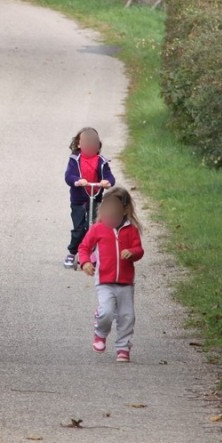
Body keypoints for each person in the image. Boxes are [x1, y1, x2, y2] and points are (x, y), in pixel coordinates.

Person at [78, 187, 144, 363]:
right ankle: (100, 333)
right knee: (106, 311)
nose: (110, 217)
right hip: (105, 280)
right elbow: (84, 248)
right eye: (107, 213)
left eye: (115, 214)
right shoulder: (97, 229)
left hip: (126, 282)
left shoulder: (131, 230)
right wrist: (85, 262)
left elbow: (139, 250)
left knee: (127, 316)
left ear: (124, 210)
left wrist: (132, 252)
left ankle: (123, 347)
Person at [63, 127, 115, 268]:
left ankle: (89, 253)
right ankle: (72, 252)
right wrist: (77, 180)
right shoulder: (75, 160)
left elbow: (110, 177)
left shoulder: (101, 161)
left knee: (93, 227)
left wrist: (107, 182)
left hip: (95, 198)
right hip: (78, 200)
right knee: (80, 228)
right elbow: (68, 176)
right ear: (79, 144)